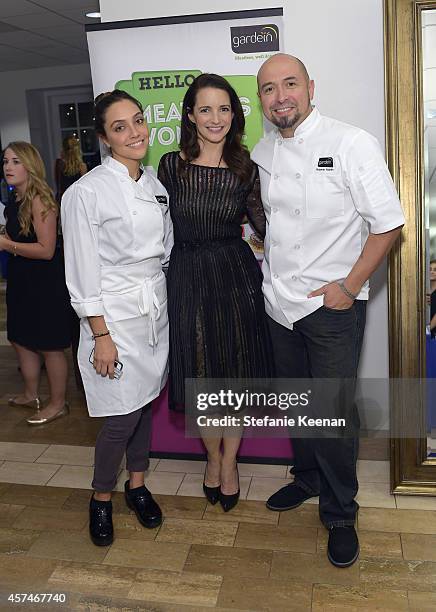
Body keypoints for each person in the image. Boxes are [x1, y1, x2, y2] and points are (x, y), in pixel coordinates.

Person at [252, 53, 405, 567]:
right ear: (262, 100)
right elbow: (267, 225)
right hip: (280, 304)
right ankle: (309, 479)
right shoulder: (263, 150)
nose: (280, 97)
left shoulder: (350, 142)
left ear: (310, 87)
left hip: (330, 308)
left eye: (289, 84)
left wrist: (350, 285)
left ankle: (341, 512)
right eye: (269, 89)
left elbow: (388, 224)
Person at [61, 90, 173, 546]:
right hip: (111, 318)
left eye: (138, 121)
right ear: (104, 138)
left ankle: (138, 485)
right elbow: (82, 272)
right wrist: (100, 335)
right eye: (120, 127)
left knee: (144, 403)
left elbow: (163, 252)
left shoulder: (155, 186)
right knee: (120, 418)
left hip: (152, 312)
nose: (135, 132)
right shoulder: (84, 193)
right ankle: (101, 498)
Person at [158, 74, 272, 512]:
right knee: (204, 378)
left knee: (235, 376)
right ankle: (213, 457)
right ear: (190, 115)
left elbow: (266, 228)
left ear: (235, 115)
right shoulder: (172, 166)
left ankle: (229, 463)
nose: (215, 118)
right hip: (188, 276)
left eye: (223, 109)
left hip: (235, 275)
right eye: (205, 109)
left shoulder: (247, 168)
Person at [1, 142, 71, 425]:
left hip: (43, 284)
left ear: (30, 165)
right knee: (21, 337)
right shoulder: (15, 199)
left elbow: (46, 250)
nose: (8, 167)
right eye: (5, 161)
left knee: (49, 345)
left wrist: (6, 244)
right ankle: (31, 394)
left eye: (16, 161)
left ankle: (58, 403)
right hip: (21, 280)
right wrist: (8, 235)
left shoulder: (41, 199)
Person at [54, 136, 87, 202]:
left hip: (62, 199)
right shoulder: (82, 166)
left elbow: (57, 183)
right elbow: (84, 188)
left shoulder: (58, 163)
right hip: (76, 200)